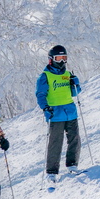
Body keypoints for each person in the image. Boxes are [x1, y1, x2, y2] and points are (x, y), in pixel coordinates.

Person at [36, 44, 81, 186]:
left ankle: (72, 164)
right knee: (56, 143)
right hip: (55, 113)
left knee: (74, 139)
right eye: (58, 58)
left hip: (70, 111)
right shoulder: (45, 76)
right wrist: (45, 108)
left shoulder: (67, 75)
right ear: (51, 59)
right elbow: (40, 94)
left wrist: (76, 84)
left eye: (64, 58)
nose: (61, 61)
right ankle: (51, 172)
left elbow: (74, 93)